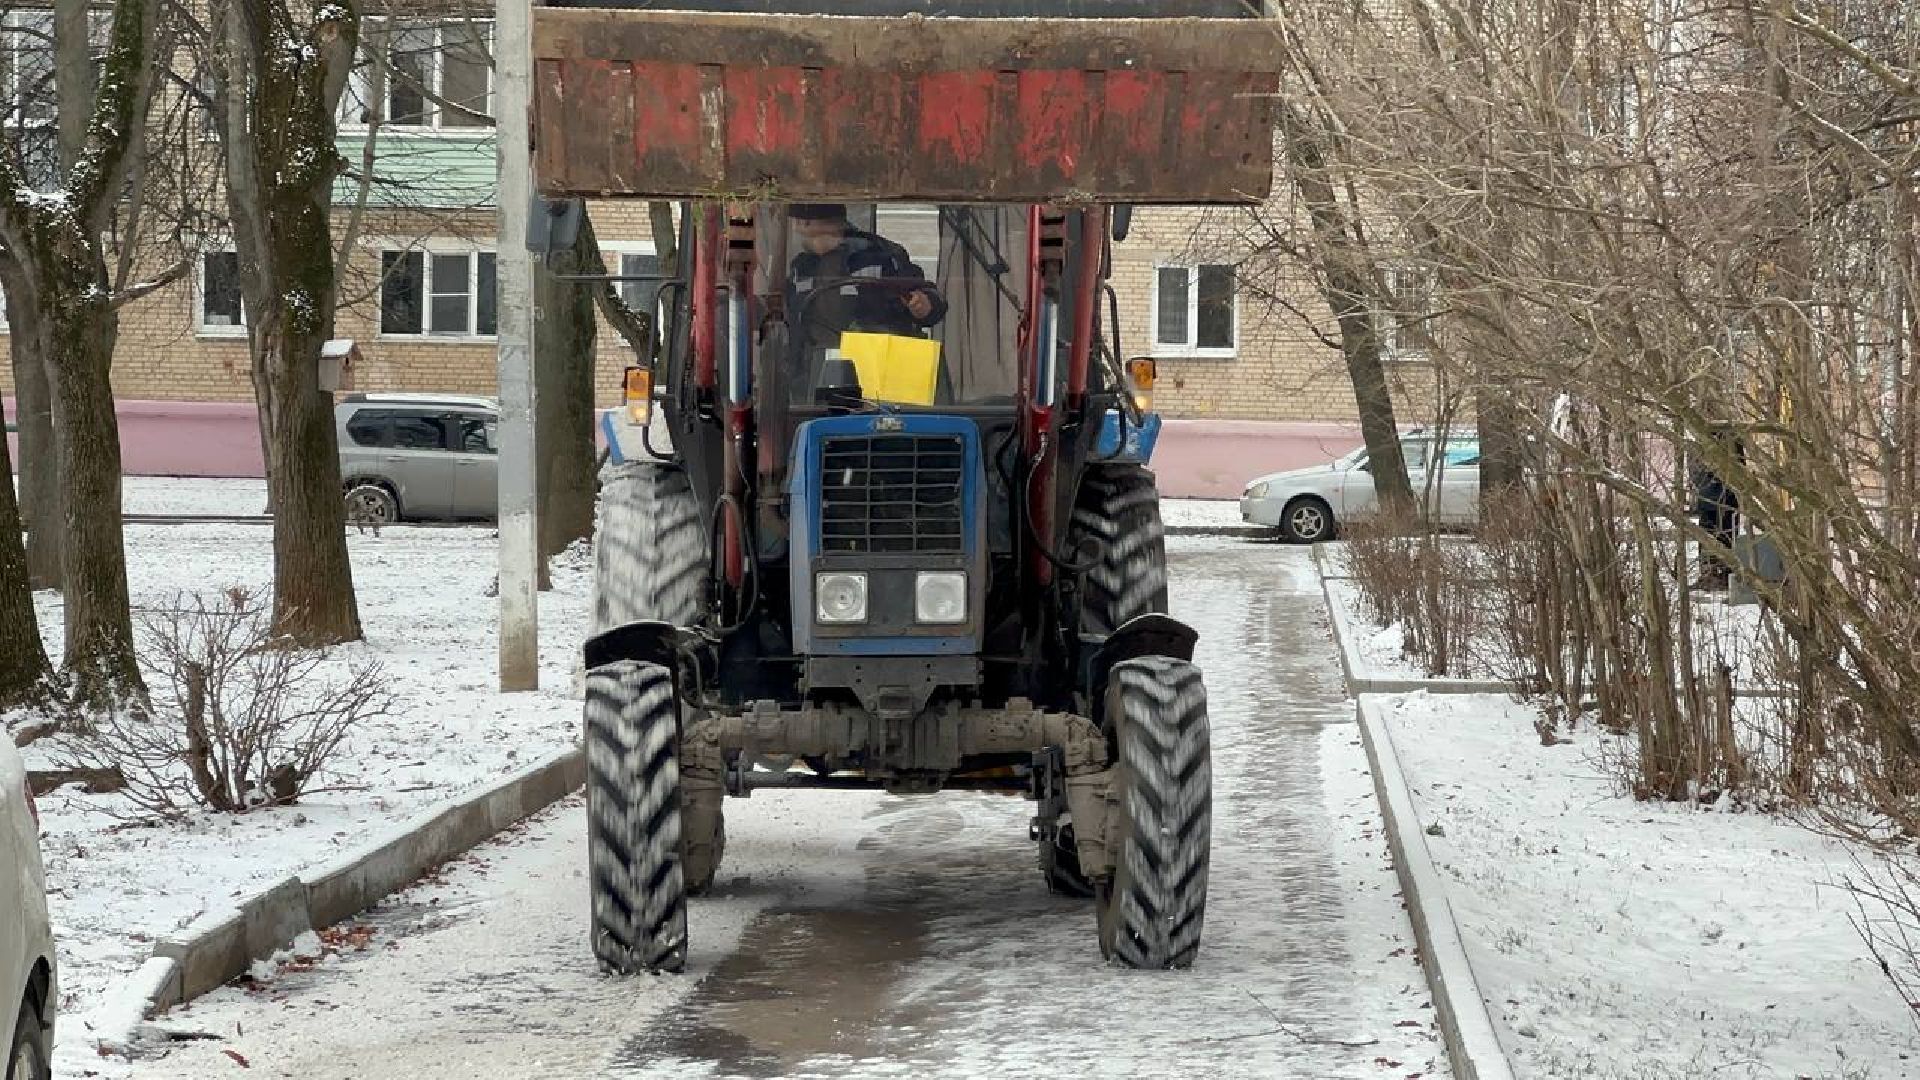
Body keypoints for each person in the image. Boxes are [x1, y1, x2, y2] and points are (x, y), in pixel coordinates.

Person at [785, 203, 946, 360]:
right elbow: (793, 326)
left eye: (797, 223)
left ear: (803, 223)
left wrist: (923, 304)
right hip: (814, 373)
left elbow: (928, 299)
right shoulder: (801, 268)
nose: (795, 229)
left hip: (876, 369)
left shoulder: (879, 256)